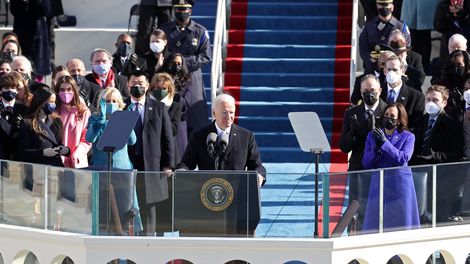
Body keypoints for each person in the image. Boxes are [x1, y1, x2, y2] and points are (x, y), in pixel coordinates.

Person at [85, 88, 142, 235]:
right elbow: (89, 138)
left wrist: (126, 122)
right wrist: (100, 122)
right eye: (108, 101)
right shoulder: (95, 118)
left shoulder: (122, 118)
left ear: (120, 104)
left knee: (124, 208)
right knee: (104, 210)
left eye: (114, 101)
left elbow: (132, 141)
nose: (111, 104)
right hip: (101, 168)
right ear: (101, 103)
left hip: (122, 169)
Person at [177, 93, 266, 186]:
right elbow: (187, 163)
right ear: (214, 113)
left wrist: (259, 175)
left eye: (231, 112)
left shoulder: (246, 136)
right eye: (224, 112)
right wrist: (181, 171)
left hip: (237, 191)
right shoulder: (199, 136)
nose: (228, 116)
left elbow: (256, 165)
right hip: (208, 191)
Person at [124, 70, 174, 236]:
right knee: (129, 209)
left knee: (150, 211)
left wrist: (168, 164)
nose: (137, 87)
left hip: (152, 166)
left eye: (141, 84)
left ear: (147, 86)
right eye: (133, 84)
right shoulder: (122, 106)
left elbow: (167, 137)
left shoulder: (158, 107)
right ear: (127, 85)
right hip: (128, 165)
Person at [361, 102, 420, 232]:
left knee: (401, 223)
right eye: (386, 114)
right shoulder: (373, 135)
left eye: (392, 116)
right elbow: (366, 163)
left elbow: (403, 158)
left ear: (399, 120)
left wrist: (384, 143)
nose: (388, 118)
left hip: (400, 185)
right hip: (379, 183)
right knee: (376, 222)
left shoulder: (408, 137)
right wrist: (375, 150)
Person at [340, 74, 387, 231]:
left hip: (381, 170)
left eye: (372, 89)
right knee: (356, 210)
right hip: (358, 169)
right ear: (360, 92)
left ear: (380, 90)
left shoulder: (388, 111)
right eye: (365, 90)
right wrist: (353, 133)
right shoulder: (352, 113)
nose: (369, 93)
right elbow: (344, 147)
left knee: (380, 209)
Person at [410, 85, 463, 223]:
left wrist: (434, 155)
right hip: (418, 173)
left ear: (444, 103)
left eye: (435, 100)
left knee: (438, 217)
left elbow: (455, 154)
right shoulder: (419, 121)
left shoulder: (453, 124)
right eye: (428, 100)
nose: (431, 103)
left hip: (441, 177)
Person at [160, 0, 212, 136]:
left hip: (192, 77)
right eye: (178, 9)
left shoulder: (200, 31)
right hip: (170, 76)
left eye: (184, 9)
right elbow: (160, 52)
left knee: (195, 118)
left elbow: (206, 56)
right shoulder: (164, 30)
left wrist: (183, 63)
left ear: (190, 10)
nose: (181, 12)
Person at [17, 84, 69, 167]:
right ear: (41, 102)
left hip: (55, 167)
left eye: (54, 102)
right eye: (51, 102)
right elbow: (22, 152)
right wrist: (43, 152)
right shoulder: (27, 122)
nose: (54, 105)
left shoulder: (57, 121)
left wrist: (66, 150)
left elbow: (59, 143)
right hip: (37, 168)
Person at [359, 0, 410, 73]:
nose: (384, 7)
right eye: (381, 5)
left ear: (392, 7)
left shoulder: (401, 26)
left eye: (386, 5)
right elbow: (363, 47)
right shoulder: (369, 26)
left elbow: (406, 46)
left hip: (394, 68)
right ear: (377, 6)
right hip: (373, 68)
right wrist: (372, 62)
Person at [54, 76, 91, 169]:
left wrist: (77, 154)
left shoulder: (83, 111)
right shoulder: (54, 111)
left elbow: (86, 139)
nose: (66, 93)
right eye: (62, 90)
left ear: (74, 90)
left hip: (78, 161)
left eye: (69, 89)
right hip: (57, 162)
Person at [380, 55, 425, 130]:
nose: (391, 73)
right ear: (385, 71)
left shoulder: (416, 96)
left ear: (403, 71)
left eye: (395, 70)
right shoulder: (378, 92)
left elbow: (416, 125)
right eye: (389, 69)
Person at [160, 53, 192, 156]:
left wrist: (172, 94)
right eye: (174, 62)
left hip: (178, 122)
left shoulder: (187, 81)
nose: (176, 65)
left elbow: (186, 103)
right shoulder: (159, 78)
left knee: (179, 154)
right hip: (161, 120)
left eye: (179, 63)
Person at [149, 72, 183, 164]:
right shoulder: (147, 105)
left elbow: (174, 130)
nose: (161, 91)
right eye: (158, 88)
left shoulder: (176, 106)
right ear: (152, 88)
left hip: (169, 151)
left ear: (169, 90)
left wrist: (162, 110)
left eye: (164, 88)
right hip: (151, 150)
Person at [400, 0, 440, 68]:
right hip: (412, 5)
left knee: (424, 37)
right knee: (413, 37)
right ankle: (414, 66)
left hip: (426, 5)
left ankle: (423, 66)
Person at [436, 50, 470, 122]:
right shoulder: (442, 83)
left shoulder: (468, 83)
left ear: (466, 64)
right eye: (453, 65)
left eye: (459, 65)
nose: (455, 68)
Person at [0, 73, 28, 160]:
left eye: (13, 88)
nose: (10, 91)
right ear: (1, 90)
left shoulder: (25, 110)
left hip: (17, 157)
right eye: (6, 88)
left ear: (17, 90)